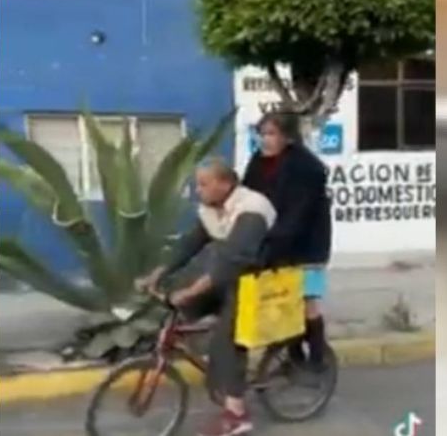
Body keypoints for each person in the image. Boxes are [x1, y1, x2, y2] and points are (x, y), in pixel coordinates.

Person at [137, 157, 276, 436]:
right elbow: (190, 244)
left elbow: (230, 260)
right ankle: (217, 373)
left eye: (203, 184)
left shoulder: (252, 210)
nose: (197, 190)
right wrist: (158, 274)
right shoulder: (212, 209)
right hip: (230, 277)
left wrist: (189, 291)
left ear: (225, 184)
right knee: (182, 313)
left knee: (228, 340)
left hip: (258, 281)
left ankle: (237, 415)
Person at [242, 111, 332, 374]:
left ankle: (317, 360)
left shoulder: (307, 167)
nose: (265, 140)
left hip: (307, 244)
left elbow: (298, 215)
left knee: (306, 302)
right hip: (276, 239)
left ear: (288, 137)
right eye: (262, 134)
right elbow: (248, 195)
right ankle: (294, 358)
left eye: (271, 134)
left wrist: (270, 242)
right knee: (284, 305)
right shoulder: (258, 162)